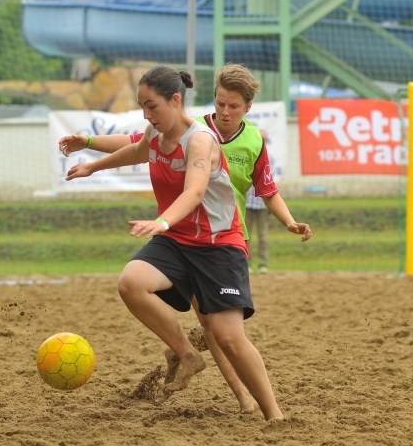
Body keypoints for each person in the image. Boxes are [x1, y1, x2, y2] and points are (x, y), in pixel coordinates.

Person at [59, 63, 311, 414]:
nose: (146, 114)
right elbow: (136, 149)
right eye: (142, 106)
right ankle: (187, 354)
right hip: (178, 239)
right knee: (131, 282)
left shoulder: (202, 140)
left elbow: (195, 192)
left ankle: (274, 414)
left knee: (226, 335)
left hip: (218, 244)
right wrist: (91, 162)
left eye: (151, 106)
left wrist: (161, 221)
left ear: (175, 100)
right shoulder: (158, 131)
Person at [245, 186, 270, 274]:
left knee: (263, 236)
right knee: (246, 236)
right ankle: (247, 264)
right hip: (247, 203)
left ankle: (263, 264)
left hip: (262, 205)